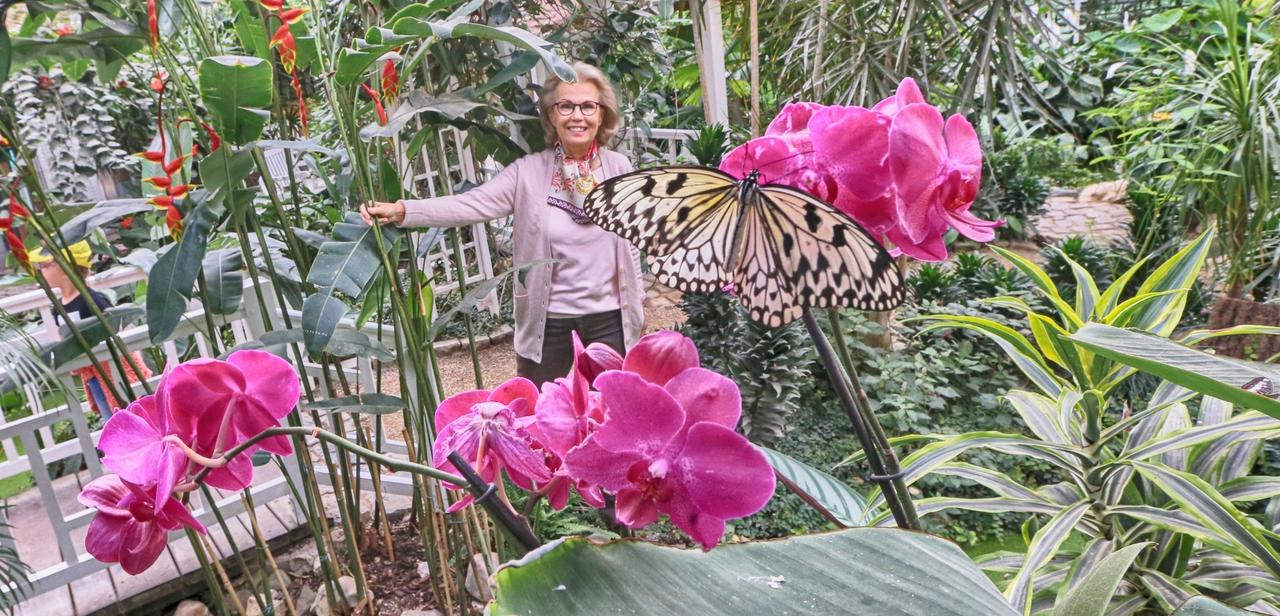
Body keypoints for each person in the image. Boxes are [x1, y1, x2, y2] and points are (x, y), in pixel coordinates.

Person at [362, 62, 644, 386]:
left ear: (601, 114)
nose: (577, 115)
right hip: (548, 321)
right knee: (536, 413)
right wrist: (403, 210)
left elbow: (631, 240)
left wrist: (635, 306)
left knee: (610, 411)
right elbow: (471, 203)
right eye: (566, 105)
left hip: (610, 318)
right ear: (552, 115)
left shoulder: (619, 167)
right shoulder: (528, 172)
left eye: (587, 106)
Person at [30, 240, 150, 418]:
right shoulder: (58, 306)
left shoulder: (91, 299)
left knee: (128, 412)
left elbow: (115, 326)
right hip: (92, 374)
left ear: (64, 267)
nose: (41, 270)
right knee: (108, 416)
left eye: (45, 265)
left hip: (112, 369)